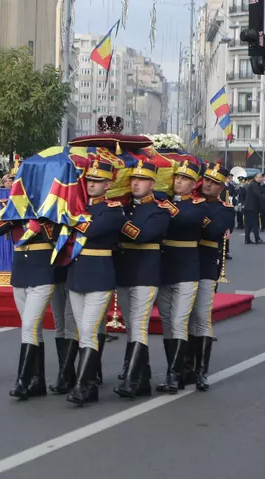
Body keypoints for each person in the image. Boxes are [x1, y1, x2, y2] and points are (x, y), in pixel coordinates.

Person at [65, 161, 125, 405]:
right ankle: (89, 384)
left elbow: (91, 229)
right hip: (76, 275)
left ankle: (82, 386)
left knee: (89, 330)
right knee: (84, 332)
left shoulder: (113, 210)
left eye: (98, 181)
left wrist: (70, 219)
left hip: (99, 276)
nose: (91, 184)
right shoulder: (78, 207)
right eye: (89, 180)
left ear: (107, 185)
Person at [112, 161, 171, 398]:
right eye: (133, 179)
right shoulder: (125, 208)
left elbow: (142, 235)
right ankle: (142, 377)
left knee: (139, 324)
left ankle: (131, 380)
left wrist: (117, 220)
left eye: (142, 180)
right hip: (125, 270)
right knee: (131, 325)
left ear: (152, 184)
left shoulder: (160, 210)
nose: (136, 184)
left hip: (147, 271)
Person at [0, 210, 64, 401]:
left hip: (42, 272)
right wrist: (15, 213)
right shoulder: (13, 208)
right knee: (34, 329)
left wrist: (38, 219)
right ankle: (37, 380)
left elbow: (57, 234)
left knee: (28, 327)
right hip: (21, 272)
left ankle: (22, 381)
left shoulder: (51, 208)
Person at [155, 161, 208, 394]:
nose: (179, 181)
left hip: (187, 269)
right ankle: (175, 370)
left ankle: (175, 375)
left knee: (178, 321)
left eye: (185, 179)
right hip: (165, 268)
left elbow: (185, 219)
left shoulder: (197, 205)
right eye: (177, 177)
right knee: (167, 322)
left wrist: (164, 204)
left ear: (194, 184)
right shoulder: (164, 202)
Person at [192, 163, 234, 391]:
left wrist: (192, 213)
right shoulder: (191, 201)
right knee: (182, 317)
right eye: (206, 180)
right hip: (182, 262)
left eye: (214, 182)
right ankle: (185, 367)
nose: (208, 184)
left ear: (221, 187)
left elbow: (213, 230)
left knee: (201, 315)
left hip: (206, 264)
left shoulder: (225, 210)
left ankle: (201, 371)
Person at [244, 173, 265, 244]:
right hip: (252, 208)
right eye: (260, 177)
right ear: (255, 178)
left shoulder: (253, 184)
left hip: (249, 207)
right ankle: (257, 239)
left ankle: (247, 239)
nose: (261, 179)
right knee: (255, 223)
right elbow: (258, 195)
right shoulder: (254, 185)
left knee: (248, 224)